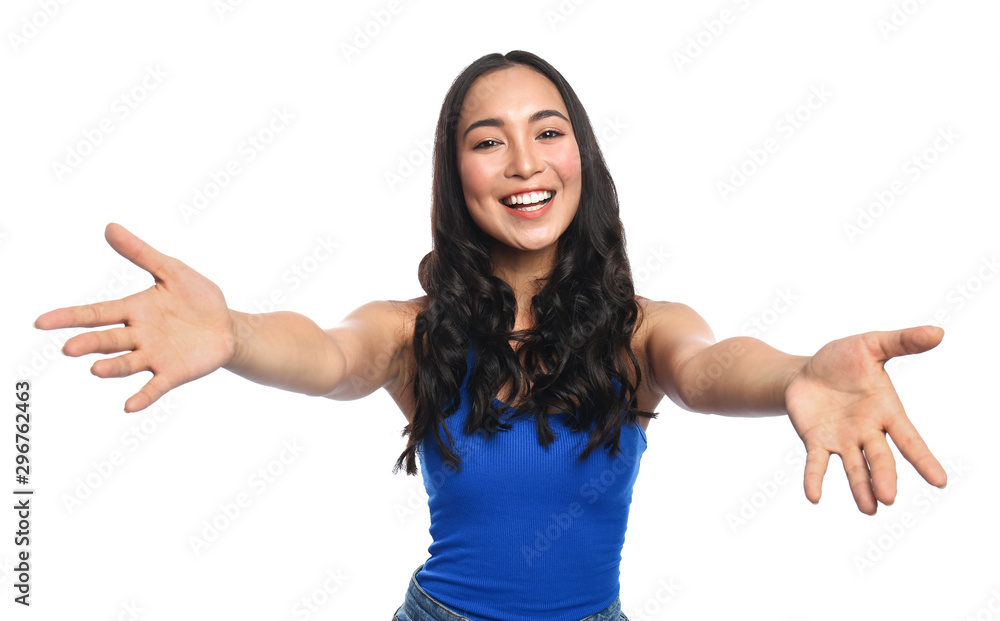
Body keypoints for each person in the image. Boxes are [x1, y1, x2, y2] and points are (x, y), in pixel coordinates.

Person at [33, 50, 947, 621]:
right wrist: (230, 330)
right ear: (455, 172)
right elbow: (329, 353)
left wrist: (798, 372)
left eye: (547, 131)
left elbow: (709, 368)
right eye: (487, 140)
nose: (522, 162)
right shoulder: (411, 332)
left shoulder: (639, 331)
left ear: (579, 155)